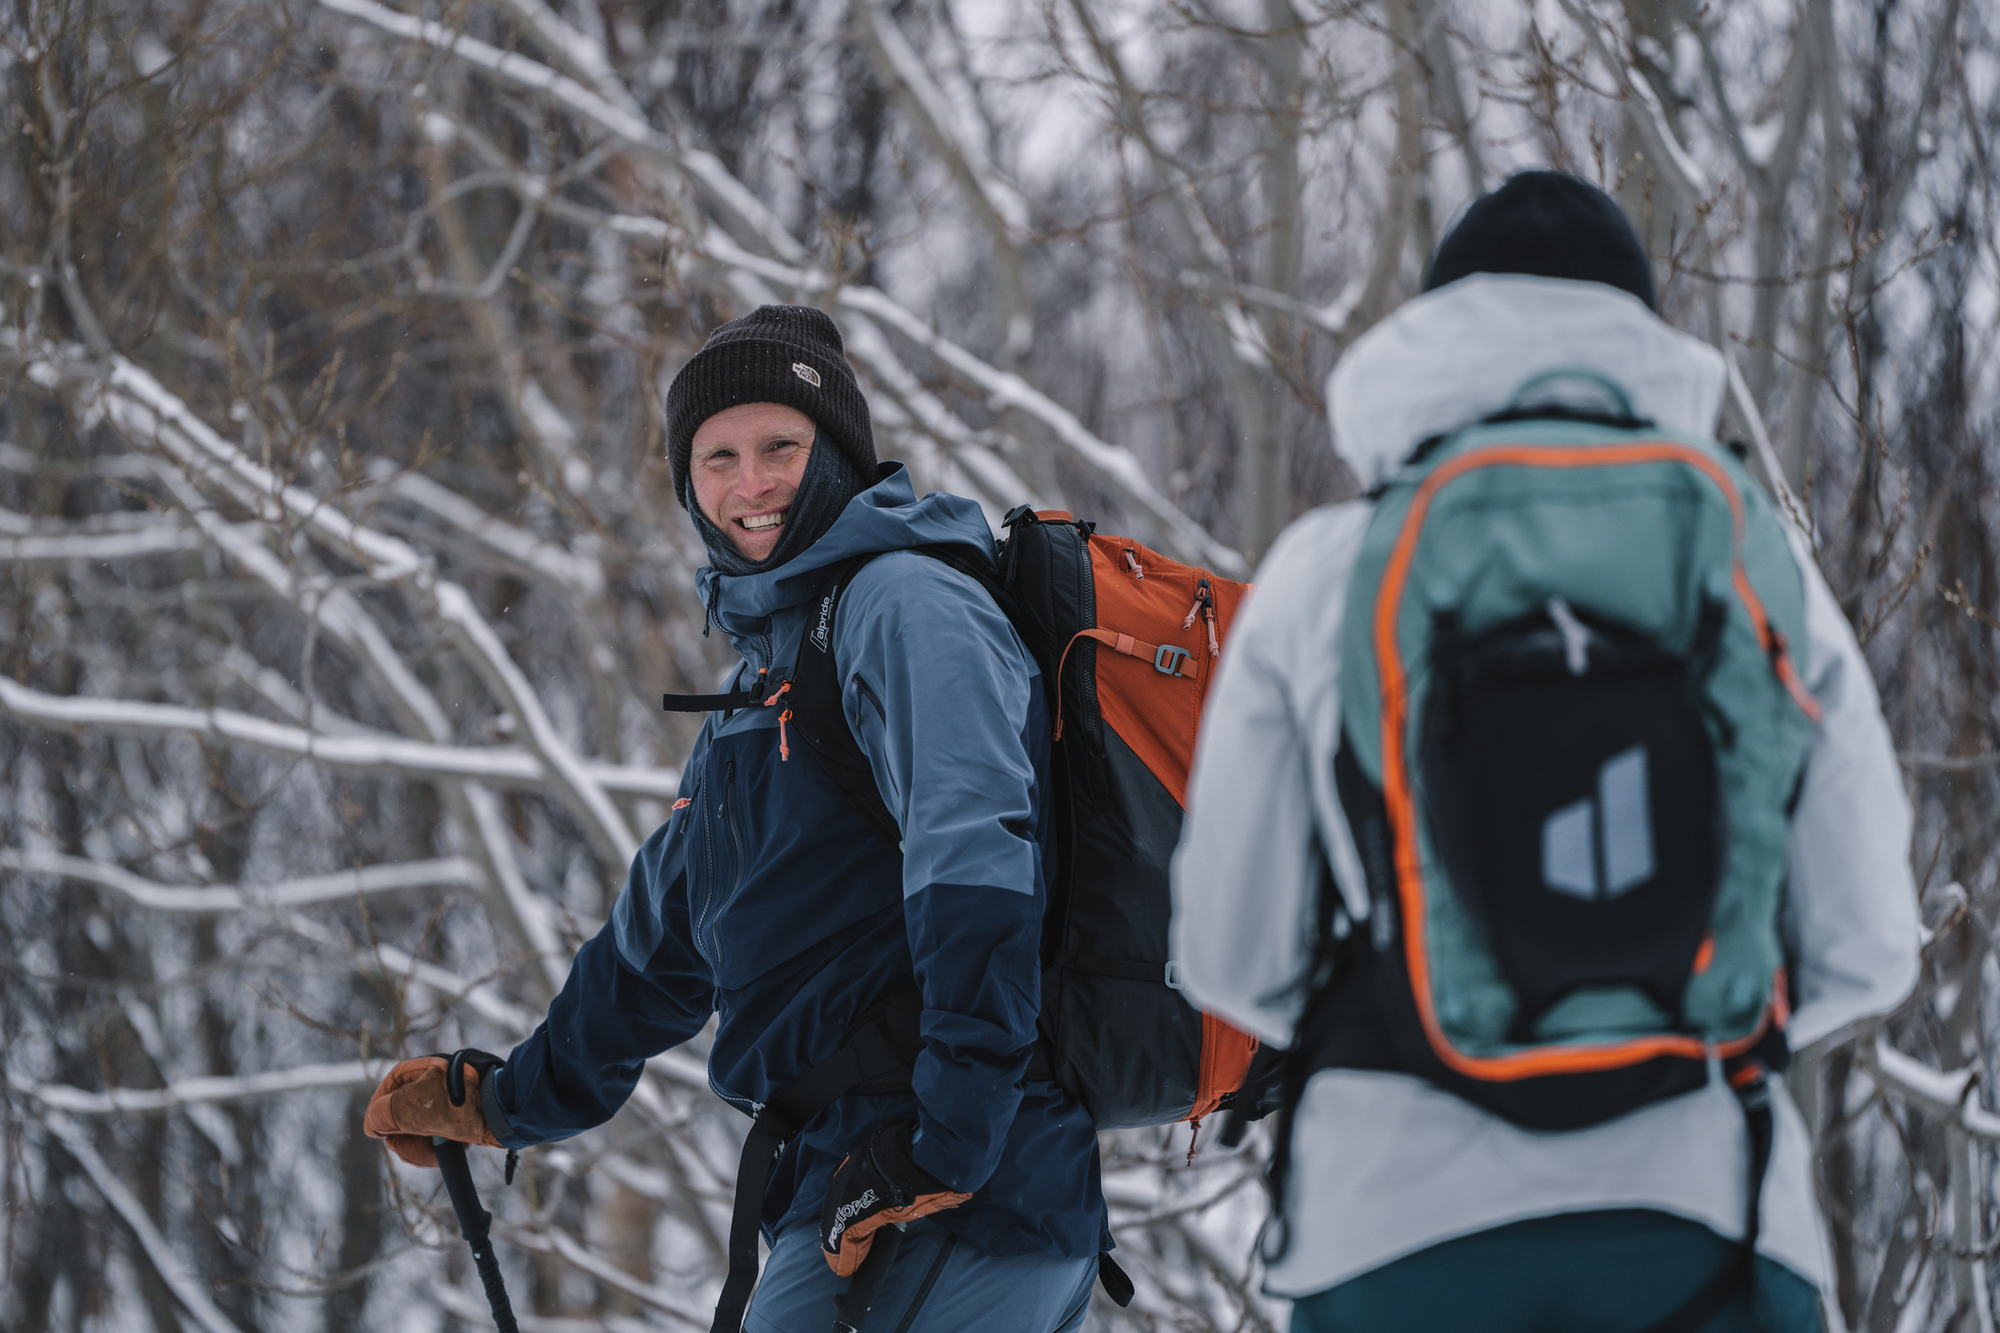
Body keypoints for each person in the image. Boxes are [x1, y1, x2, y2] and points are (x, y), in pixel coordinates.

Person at [1170, 172, 1920, 1332]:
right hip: (1708, 1215)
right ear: (1639, 333)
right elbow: (1868, 946)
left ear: (1430, 335)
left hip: (1391, 1230)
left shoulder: (1326, 570)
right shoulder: (1746, 555)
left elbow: (1235, 962)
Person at [363, 305, 1106, 1332]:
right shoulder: (760, 691)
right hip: (852, 1192)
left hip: (957, 1197)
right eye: (716, 457)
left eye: (779, 448)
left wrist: (946, 1146)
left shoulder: (901, 605)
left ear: (838, 454)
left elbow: (978, 859)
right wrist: (502, 1102)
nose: (747, 484)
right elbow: (655, 950)